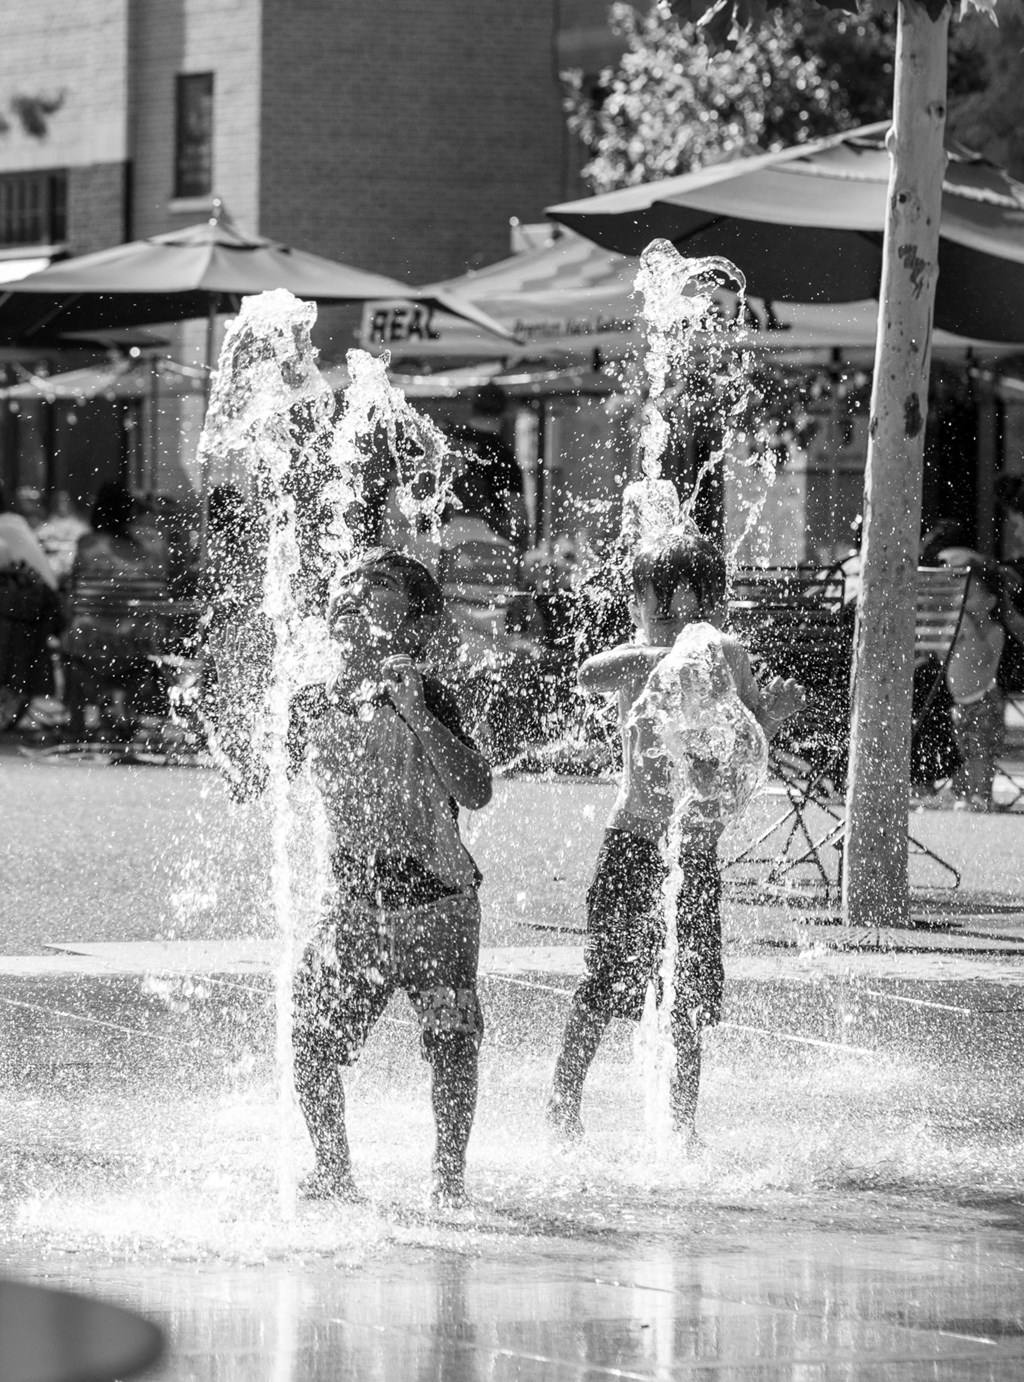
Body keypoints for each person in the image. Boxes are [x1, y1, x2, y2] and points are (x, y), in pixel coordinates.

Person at [219, 547, 492, 1206]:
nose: (350, 593)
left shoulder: (427, 694)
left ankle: (448, 1178)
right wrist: (234, 728)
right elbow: (257, 781)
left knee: (451, 1042)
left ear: (416, 621)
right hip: (349, 906)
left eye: (376, 587)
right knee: (307, 1038)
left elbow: (477, 791)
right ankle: (335, 1167)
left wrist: (421, 716)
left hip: (436, 900)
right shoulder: (310, 698)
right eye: (344, 584)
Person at [547, 527, 805, 1143]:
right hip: (633, 844)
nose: (651, 613)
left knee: (686, 998)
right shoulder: (637, 661)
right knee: (603, 984)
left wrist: (774, 712)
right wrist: (668, 658)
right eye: (647, 601)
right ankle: (563, 1103)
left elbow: (747, 737)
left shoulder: (728, 661)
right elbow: (587, 674)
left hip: (691, 854)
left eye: (660, 601)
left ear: (697, 601)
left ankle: (683, 1128)